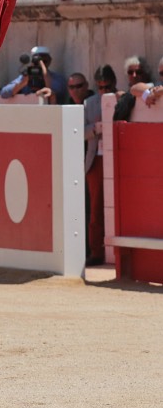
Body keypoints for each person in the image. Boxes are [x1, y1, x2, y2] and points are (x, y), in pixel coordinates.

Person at [83, 65, 120, 265]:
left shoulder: (121, 98)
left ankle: (116, 252)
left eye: (107, 87)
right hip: (96, 159)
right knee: (96, 208)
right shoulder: (89, 103)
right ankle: (96, 252)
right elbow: (79, 131)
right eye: (101, 87)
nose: (104, 91)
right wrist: (95, 129)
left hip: (116, 158)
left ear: (114, 84)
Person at [0, 45, 67, 103]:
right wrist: (23, 83)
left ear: (50, 61)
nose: (40, 64)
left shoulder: (57, 78)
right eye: (37, 62)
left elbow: (56, 92)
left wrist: (44, 71)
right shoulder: (24, 77)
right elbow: (4, 93)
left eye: (45, 61)